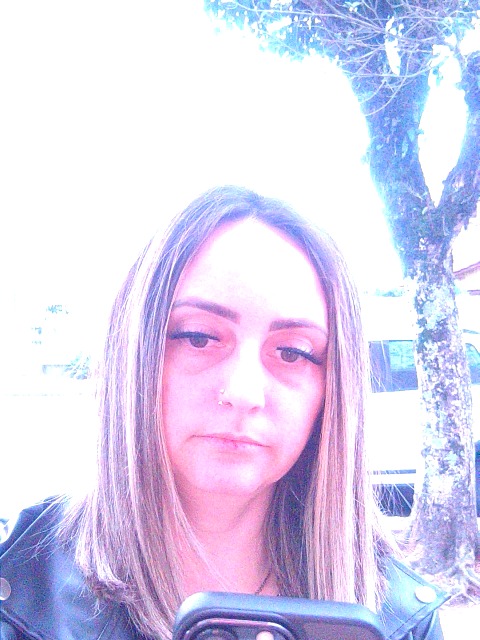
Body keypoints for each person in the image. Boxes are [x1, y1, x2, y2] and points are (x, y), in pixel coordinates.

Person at [0, 186, 447, 639]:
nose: (244, 392)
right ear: (133, 351)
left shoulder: (399, 621)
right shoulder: (17, 593)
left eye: (292, 352)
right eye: (198, 337)